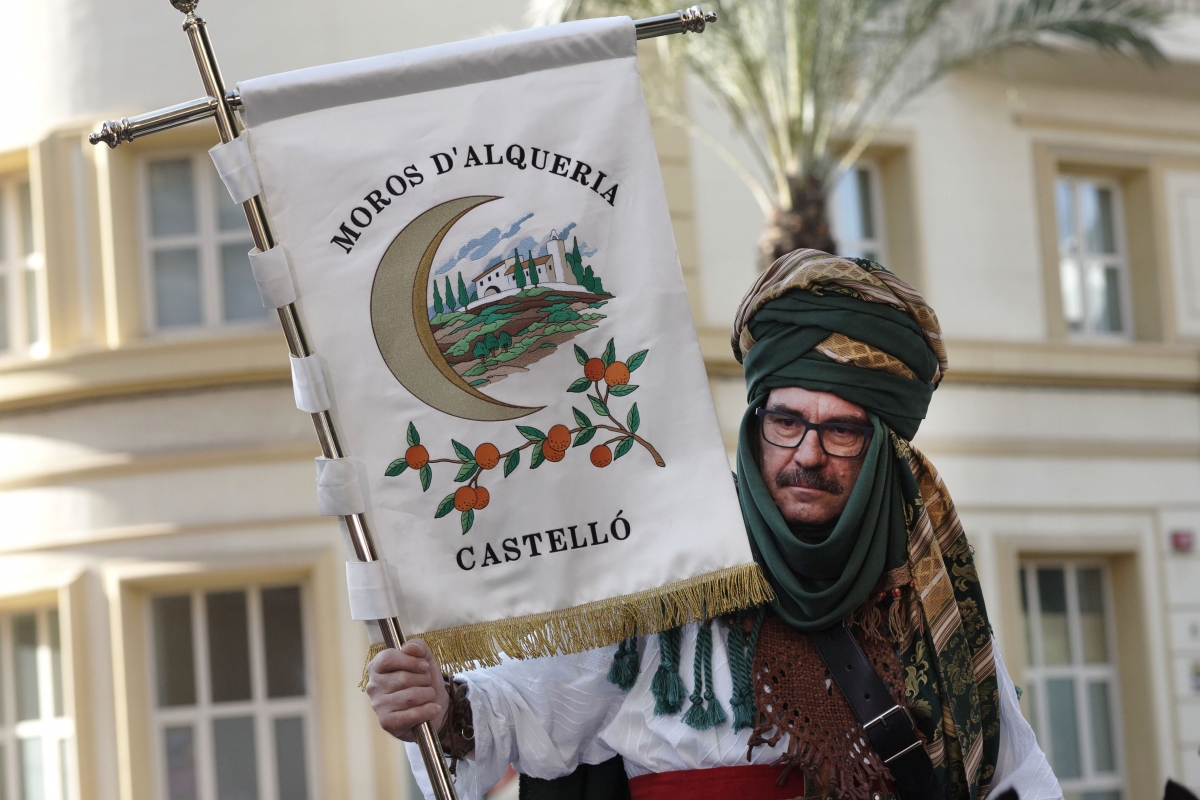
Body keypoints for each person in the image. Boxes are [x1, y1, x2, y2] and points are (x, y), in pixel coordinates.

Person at [367, 250, 1062, 800]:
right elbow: (518, 716)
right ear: (755, 425)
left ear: (885, 450)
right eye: (786, 422)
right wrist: (438, 705)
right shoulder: (667, 565)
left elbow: (1014, 777)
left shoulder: (932, 601)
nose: (808, 453)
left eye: (843, 431)